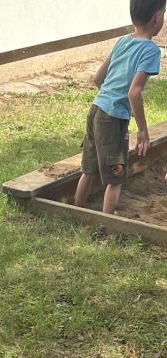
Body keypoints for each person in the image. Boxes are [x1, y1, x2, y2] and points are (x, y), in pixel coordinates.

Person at [74, 0, 165, 215]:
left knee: (89, 169)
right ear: (158, 16)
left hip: (96, 109)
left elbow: (98, 78)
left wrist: (111, 98)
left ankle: (77, 210)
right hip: (112, 119)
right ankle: (108, 219)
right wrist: (142, 130)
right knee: (116, 177)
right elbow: (134, 92)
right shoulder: (151, 50)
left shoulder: (123, 41)